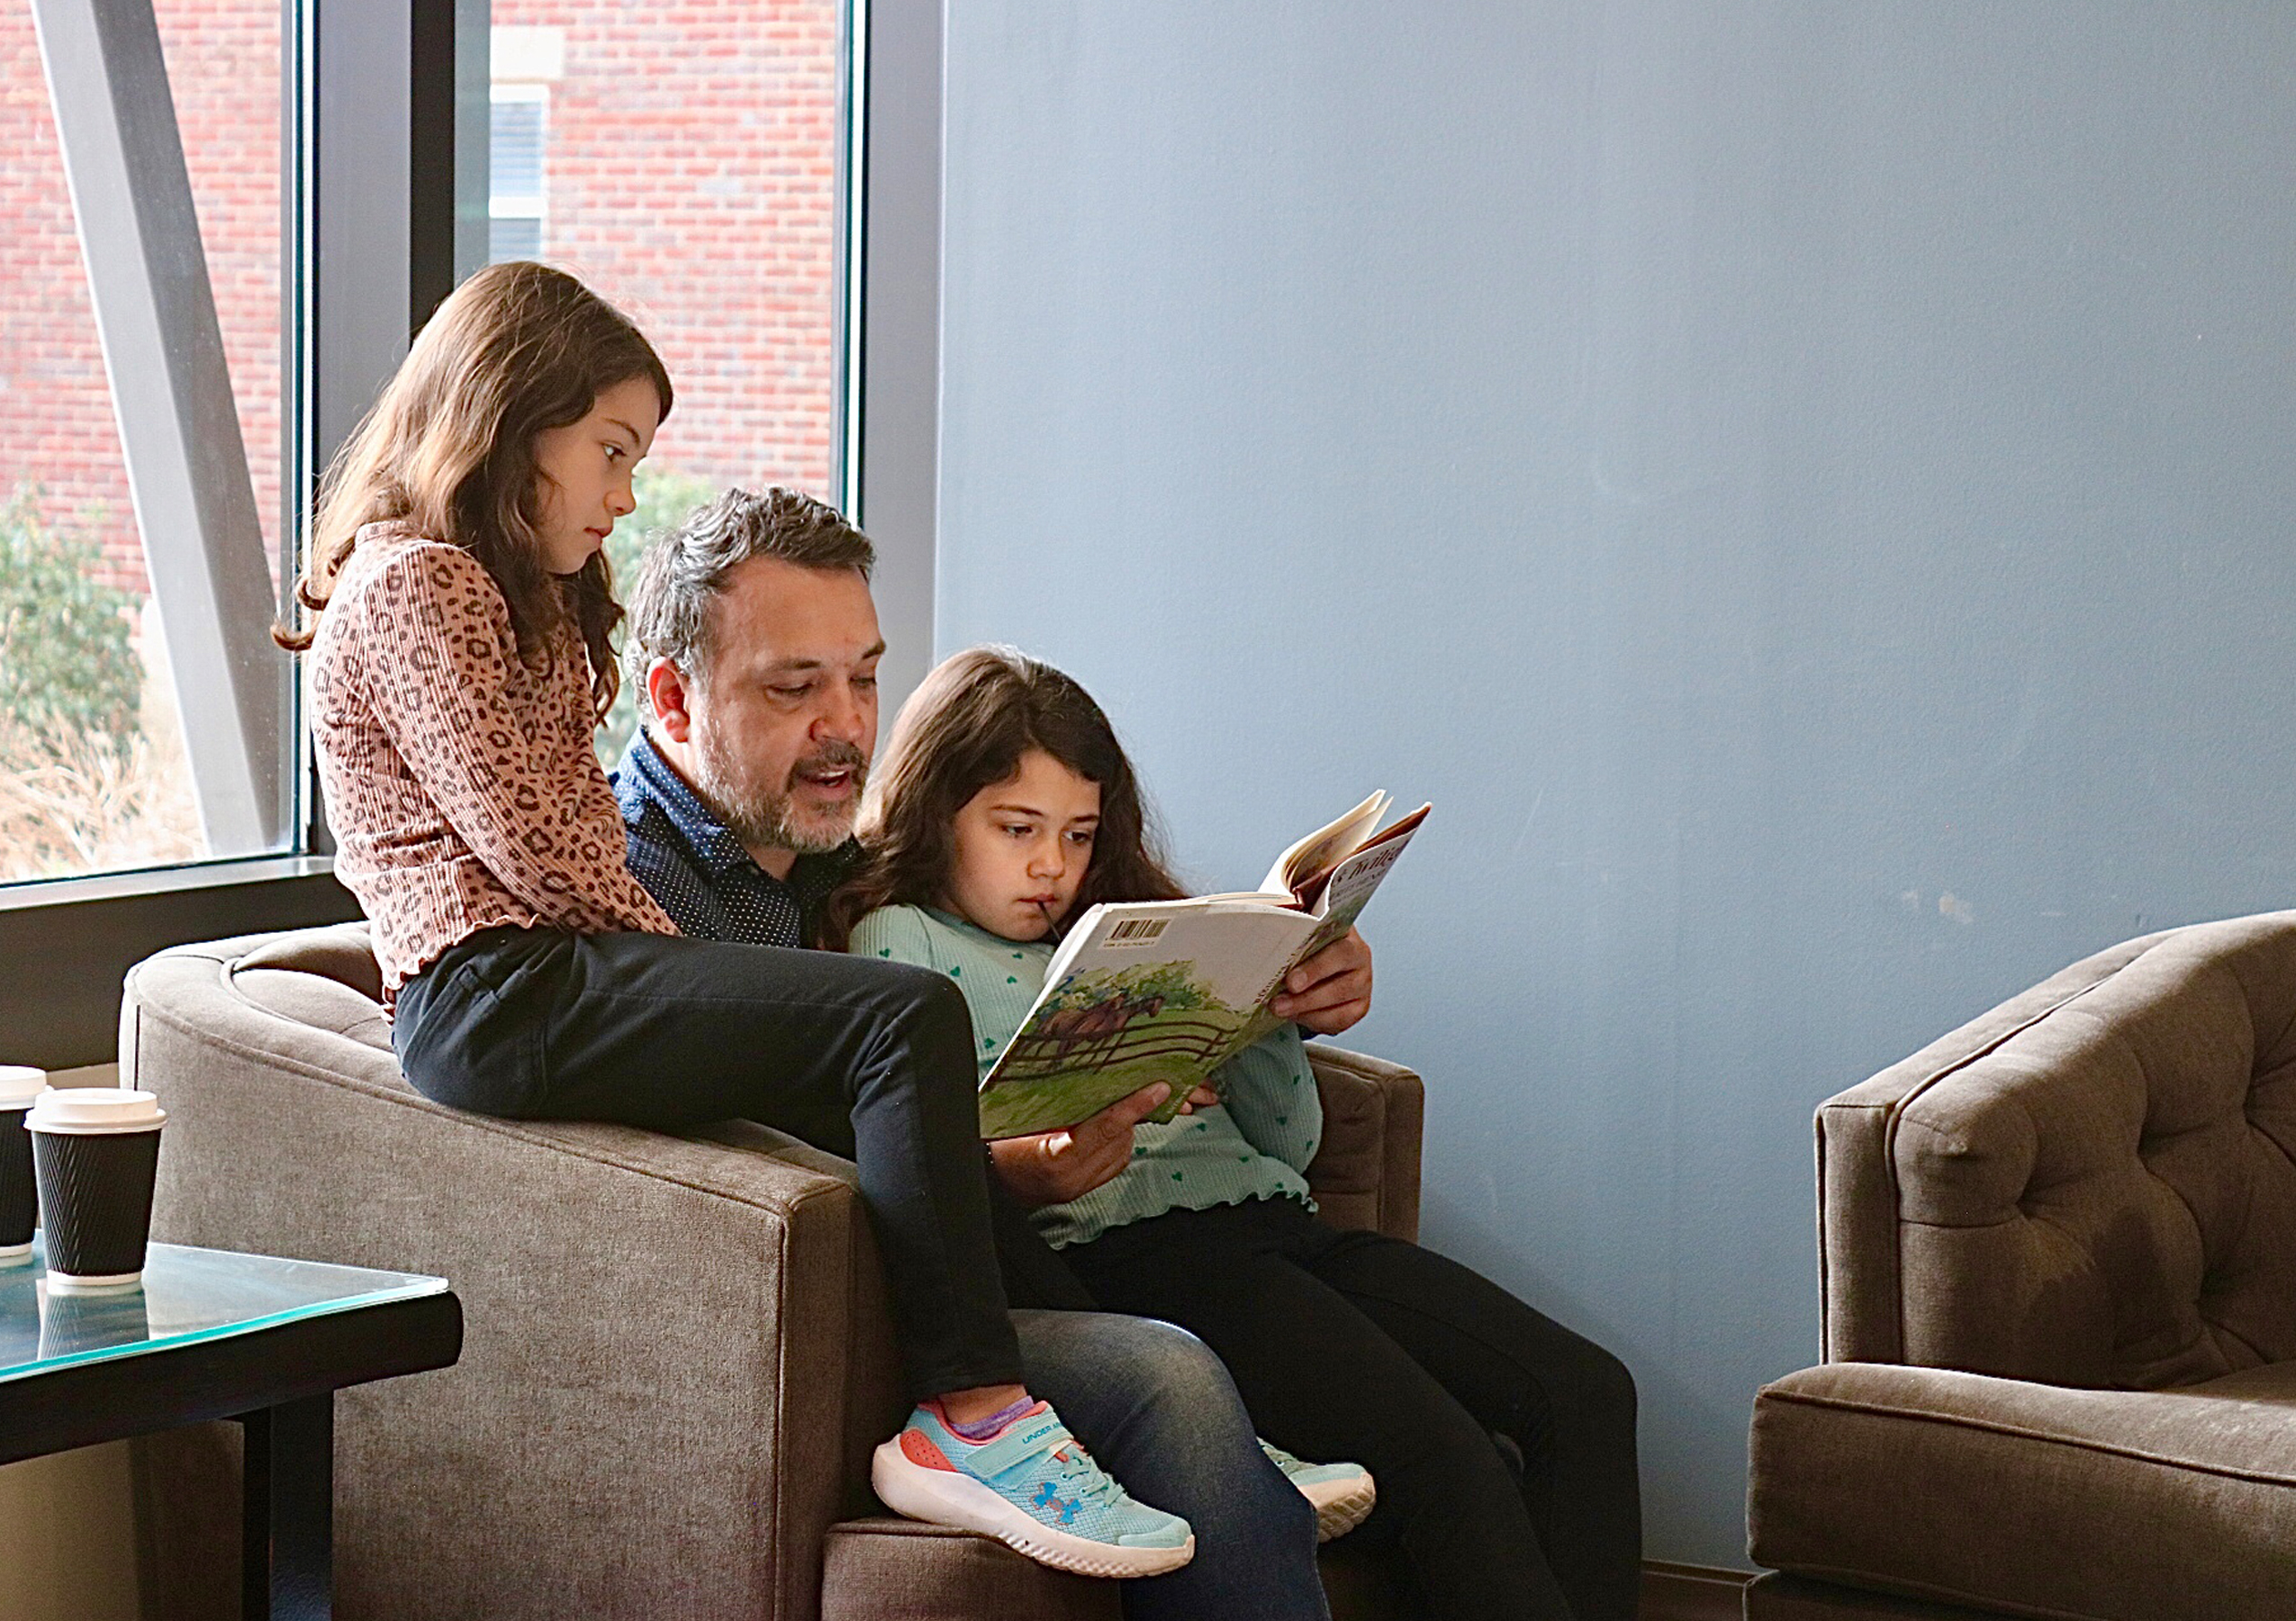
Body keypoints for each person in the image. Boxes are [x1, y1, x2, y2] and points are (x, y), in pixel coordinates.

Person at [276, 260, 1192, 1580]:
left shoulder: (482, 590)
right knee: (900, 1020)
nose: (623, 493)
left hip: (542, 973)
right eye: (607, 450)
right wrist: (681, 962)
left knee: (899, 1052)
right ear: (504, 417)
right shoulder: (418, 585)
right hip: (496, 991)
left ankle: (1090, 1400)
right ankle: (969, 1415)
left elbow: (559, 831)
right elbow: (541, 847)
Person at [612, 484, 1378, 1619]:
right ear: (673, 700)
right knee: (1174, 1374)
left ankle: (1245, 1494)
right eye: (793, 687)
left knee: (1204, 1380)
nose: (847, 726)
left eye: (864, 678)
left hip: (974, 1268)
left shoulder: (841, 859)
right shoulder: (630, 897)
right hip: (841, 1311)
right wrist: (1008, 1172)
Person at [823, 645, 1646, 1621]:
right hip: (1144, 1262)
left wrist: (1268, 1006)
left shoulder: (1132, 925)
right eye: (1017, 829)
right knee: (1446, 1461)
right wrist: (1032, 1166)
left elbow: (1290, 1145)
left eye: (1079, 835)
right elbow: (928, 1154)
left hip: (1277, 1226)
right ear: (934, 811)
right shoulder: (901, 937)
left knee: (1589, 1391)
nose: (1052, 865)